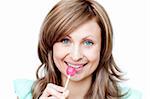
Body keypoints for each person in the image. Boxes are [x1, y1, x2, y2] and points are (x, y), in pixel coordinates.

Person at [13, 0, 142, 99]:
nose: (75, 56)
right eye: (65, 40)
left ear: (103, 48)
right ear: (50, 44)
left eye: (88, 42)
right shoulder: (23, 93)